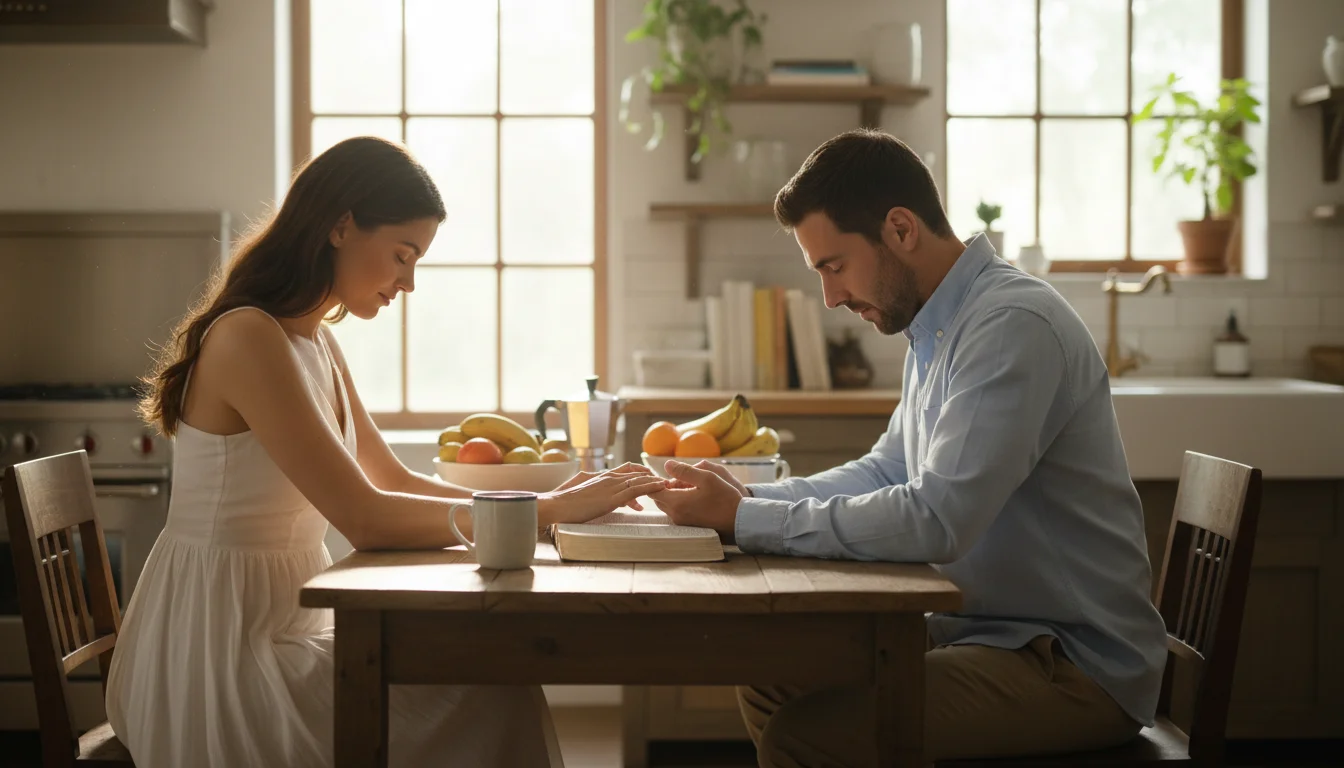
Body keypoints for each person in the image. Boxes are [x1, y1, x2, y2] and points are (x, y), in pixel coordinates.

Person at [107, 136, 669, 767]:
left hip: (283, 627)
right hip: (220, 656)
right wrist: (542, 514)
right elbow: (367, 519)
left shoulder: (313, 340)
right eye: (403, 255)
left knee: (493, 683)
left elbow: (390, 476)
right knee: (493, 699)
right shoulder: (249, 338)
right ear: (341, 226)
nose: (408, 282)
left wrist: (544, 500)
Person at [649, 129, 1168, 767]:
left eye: (833, 266)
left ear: (900, 229)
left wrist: (748, 520)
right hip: (985, 636)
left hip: (1069, 662)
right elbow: (887, 468)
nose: (831, 297)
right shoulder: (938, 328)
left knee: (805, 737)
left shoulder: (1010, 326)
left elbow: (937, 518)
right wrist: (746, 498)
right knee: (770, 678)